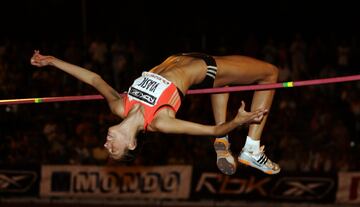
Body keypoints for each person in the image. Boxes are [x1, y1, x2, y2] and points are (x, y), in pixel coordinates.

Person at [30, 50, 280, 175]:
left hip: (185, 56)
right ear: (131, 143)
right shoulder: (160, 121)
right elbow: (212, 129)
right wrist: (236, 121)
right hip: (206, 68)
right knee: (270, 73)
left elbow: (94, 79)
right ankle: (252, 148)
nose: (107, 146)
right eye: (114, 150)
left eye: (108, 149)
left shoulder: (119, 106)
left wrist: (53, 61)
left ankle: (224, 144)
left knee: (223, 86)